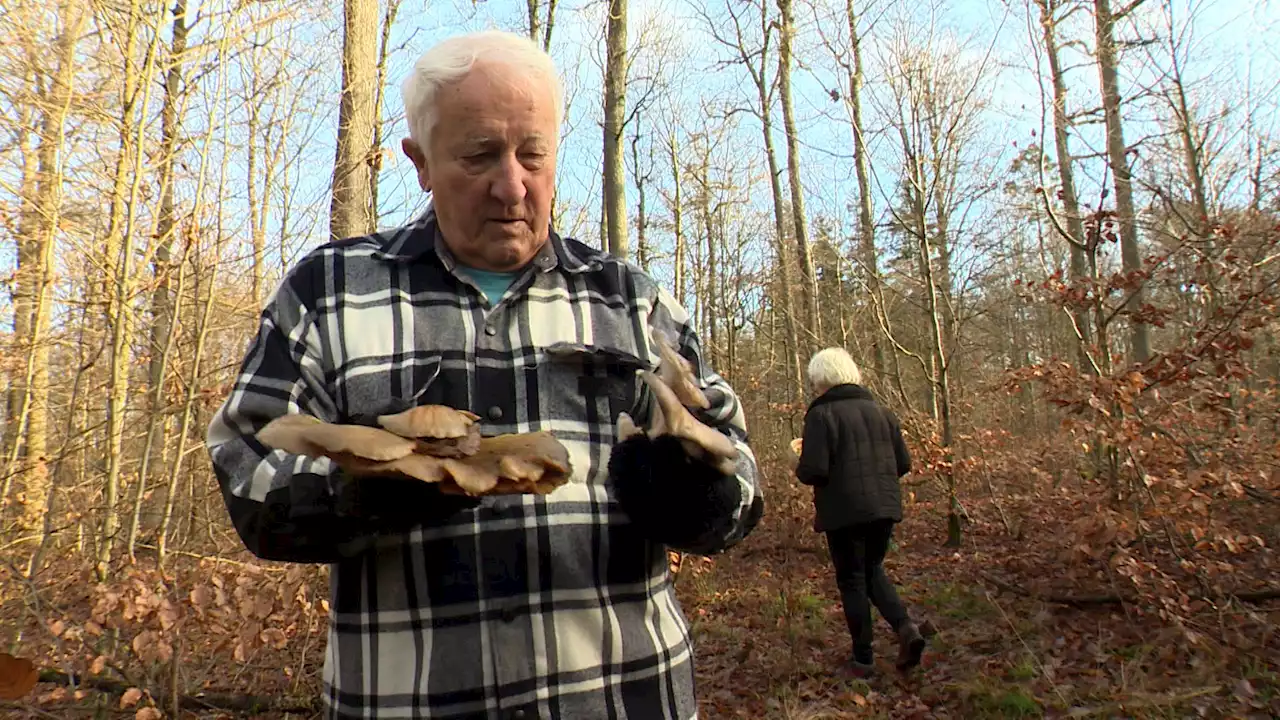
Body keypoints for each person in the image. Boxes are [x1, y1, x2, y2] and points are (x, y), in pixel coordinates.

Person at [206, 30, 763, 719]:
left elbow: (740, 488)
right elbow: (247, 473)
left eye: (534, 154)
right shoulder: (330, 293)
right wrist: (373, 488)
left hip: (623, 698)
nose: (512, 184)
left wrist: (693, 497)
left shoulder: (631, 301)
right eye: (479, 155)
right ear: (420, 162)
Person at [793, 347, 923, 678]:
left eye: (814, 382)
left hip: (844, 511)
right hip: (884, 507)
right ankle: (906, 628)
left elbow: (814, 471)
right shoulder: (882, 412)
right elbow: (903, 464)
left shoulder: (821, 415)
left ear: (821, 380)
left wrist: (797, 463)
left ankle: (863, 659)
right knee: (872, 569)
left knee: (852, 579)